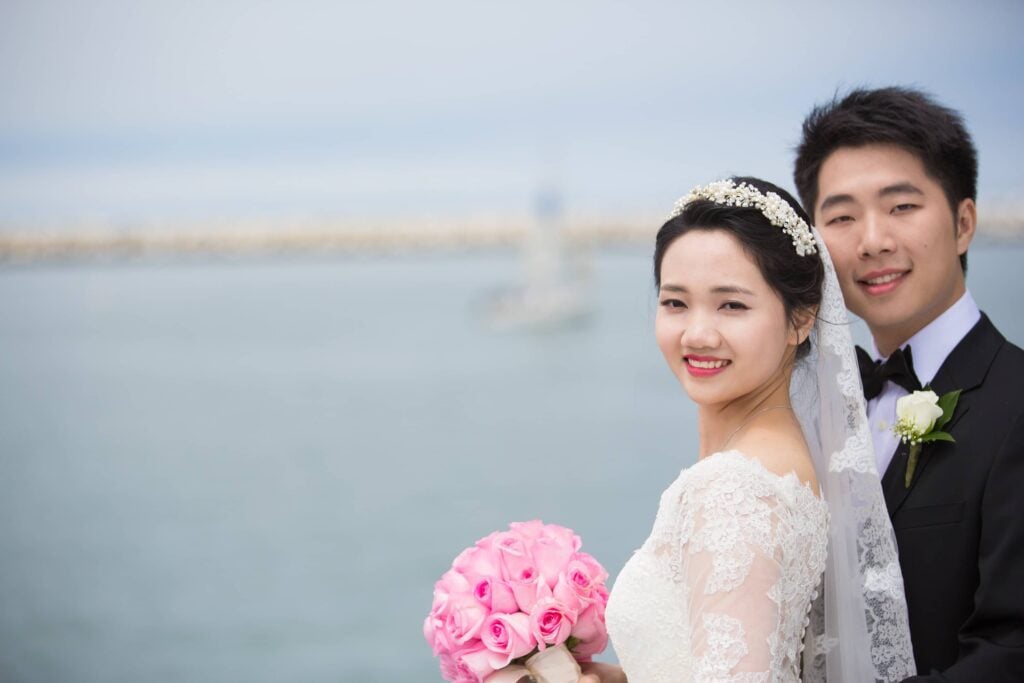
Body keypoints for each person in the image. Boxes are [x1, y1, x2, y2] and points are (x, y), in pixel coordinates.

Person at [581, 177, 915, 682]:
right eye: (675, 303)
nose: (697, 333)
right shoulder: (785, 460)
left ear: (800, 319)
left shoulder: (734, 489)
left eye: (731, 305)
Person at [794, 86, 1024, 680]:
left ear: (964, 222)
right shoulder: (810, 414)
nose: (872, 241)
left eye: (901, 207)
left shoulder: (1015, 402)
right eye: (841, 217)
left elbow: (1011, 650)